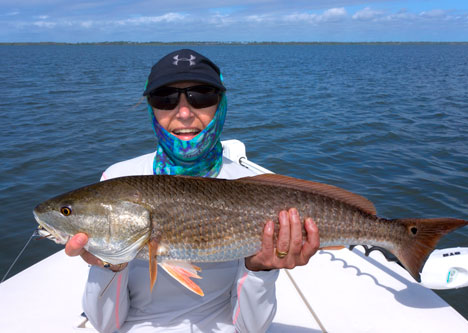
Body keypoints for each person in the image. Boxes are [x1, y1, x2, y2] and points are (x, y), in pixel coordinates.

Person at [65, 49, 320, 333]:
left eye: (202, 95)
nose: (184, 112)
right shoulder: (117, 179)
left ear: (220, 103)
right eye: (165, 98)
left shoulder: (252, 183)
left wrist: (261, 269)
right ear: (151, 107)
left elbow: (249, 329)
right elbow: (105, 325)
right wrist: (107, 266)